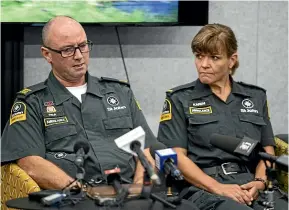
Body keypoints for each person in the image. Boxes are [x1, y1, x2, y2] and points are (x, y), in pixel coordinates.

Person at [1, 15, 156, 190]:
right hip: (71, 199)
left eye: (83, 46)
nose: (79, 56)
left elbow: (146, 150)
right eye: (67, 50)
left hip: (128, 195)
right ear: (47, 54)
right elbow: (30, 163)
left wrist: (138, 190)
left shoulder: (120, 93)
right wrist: (80, 192)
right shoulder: (32, 102)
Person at [157, 23, 288, 210]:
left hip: (251, 184)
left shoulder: (255, 97)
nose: (203, 64)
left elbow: (266, 153)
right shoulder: (179, 99)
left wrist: (259, 183)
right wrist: (219, 188)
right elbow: (177, 157)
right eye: (199, 56)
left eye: (214, 58)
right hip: (204, 188)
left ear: (231, 60)